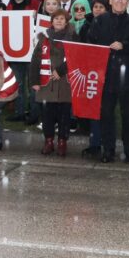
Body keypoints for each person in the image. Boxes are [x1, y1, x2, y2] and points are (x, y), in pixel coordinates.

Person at [83, 0, 129, 163]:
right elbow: (90, 45)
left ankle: (128, 150)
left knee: (128, 116)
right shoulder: (99, 21)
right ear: (110, 0)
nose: (120, 1)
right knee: (106, 115)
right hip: (105, 76)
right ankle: (108, 150)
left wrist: (124, 45)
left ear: (128, 2)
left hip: (128, 77)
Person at [29, 9, 75, 156]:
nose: (59, 21)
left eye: (62, 19)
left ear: (67, 22)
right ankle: (48, 141)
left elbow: (76, 57)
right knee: (47, 115)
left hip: (65, 82)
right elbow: (35, 59)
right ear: (52, 21)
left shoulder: (73, 37)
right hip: (46, 83)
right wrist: (34, 80)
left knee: (64, 115)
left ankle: (62, 142)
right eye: (56, 19)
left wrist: (60, 71)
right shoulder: (44, 38)